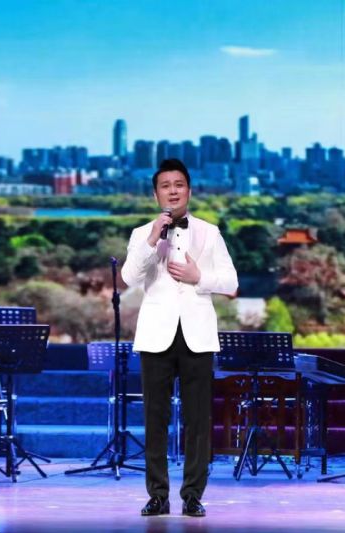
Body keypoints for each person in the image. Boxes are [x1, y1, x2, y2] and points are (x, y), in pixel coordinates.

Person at [121, 158, 238, 518]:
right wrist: (152, 238)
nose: (173, 191)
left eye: (179, 184)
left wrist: (198, 277)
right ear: (155, 194)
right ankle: (157, 495)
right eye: (165, 186)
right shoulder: (142, 234)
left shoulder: (210, 233)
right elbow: (128, 277)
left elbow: (231, 283)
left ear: (189, 190)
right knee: (155, 420)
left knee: (198, 421)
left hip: (196, 336)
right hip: (156, 336)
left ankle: (193, 495)